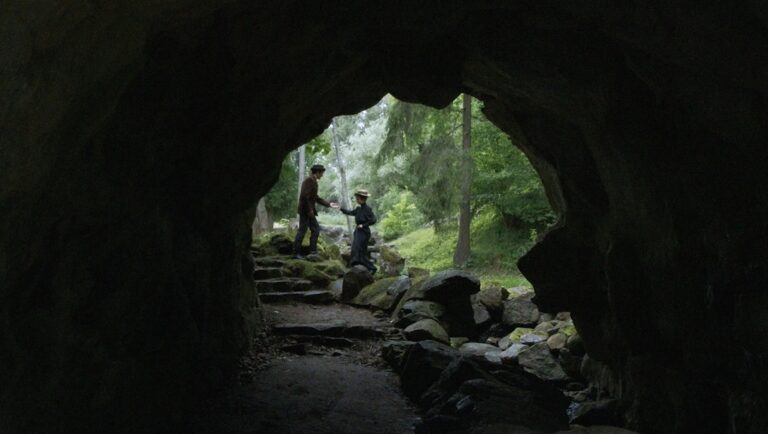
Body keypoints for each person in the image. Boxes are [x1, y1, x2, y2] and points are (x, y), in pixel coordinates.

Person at [294, 164, 336, 258]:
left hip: (309, 211)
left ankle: (313, 252)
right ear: (317, 172)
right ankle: (296, 253)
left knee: (315, 229)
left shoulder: (313, 181)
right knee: (303, 230)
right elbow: (305, 196)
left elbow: (316, 198)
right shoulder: (309, 180)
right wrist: (310, 210)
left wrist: (329, 204)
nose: (322, 175)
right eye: (322, 173)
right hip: (306, 211)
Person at [334, 189, 377, 274]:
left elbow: (374, 220)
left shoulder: (368, 209)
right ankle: (357, 265)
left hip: (364, 232)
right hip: (358, 232)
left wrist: (363, 225)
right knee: (355, 248)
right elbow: (350, 212)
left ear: (362, 199)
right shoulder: (358, 209)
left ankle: (372, 268)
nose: (356, 199)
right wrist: (340, 209)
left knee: (359, 249)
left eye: (357, 198)